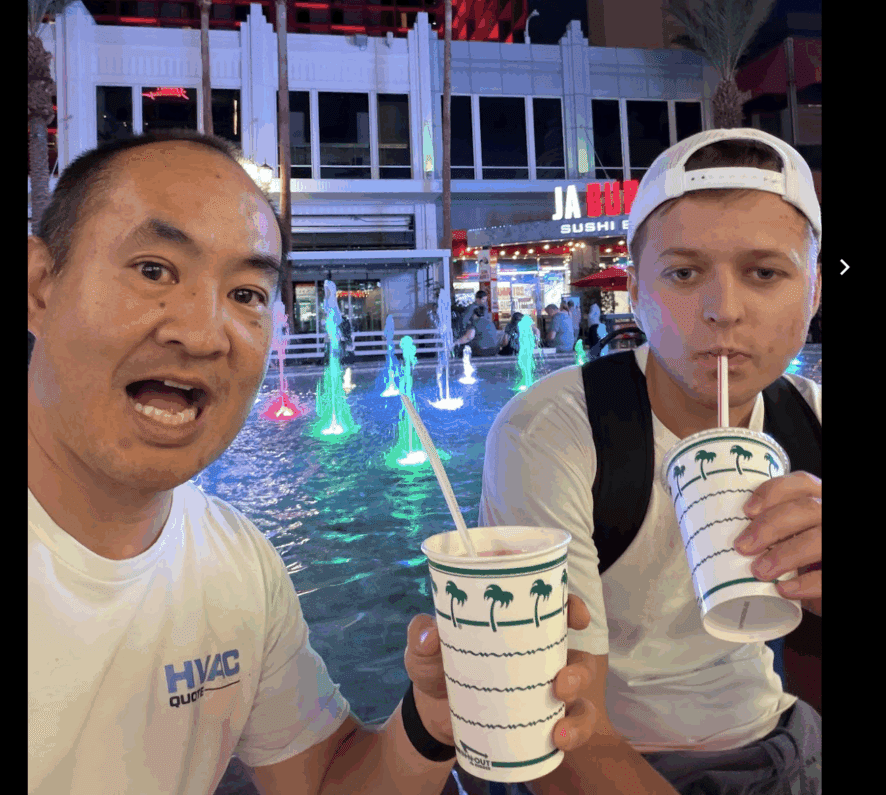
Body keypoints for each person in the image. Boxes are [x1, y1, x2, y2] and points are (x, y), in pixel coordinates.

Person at [28, 129, 603, 795]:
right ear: (40, 286)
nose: (203, 330)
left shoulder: (235, 565)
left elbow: (326, 782)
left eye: (245, 294)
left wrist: (436, 719)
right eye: (154, 269)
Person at [480, 129, 822, 793]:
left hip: (780, 739)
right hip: (614, 756)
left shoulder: (811, 421)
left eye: (765, 273)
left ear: (812, 294)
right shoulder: (553, 433)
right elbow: (562, 723)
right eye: (684, 273)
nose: (724, 310)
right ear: (636, 291)